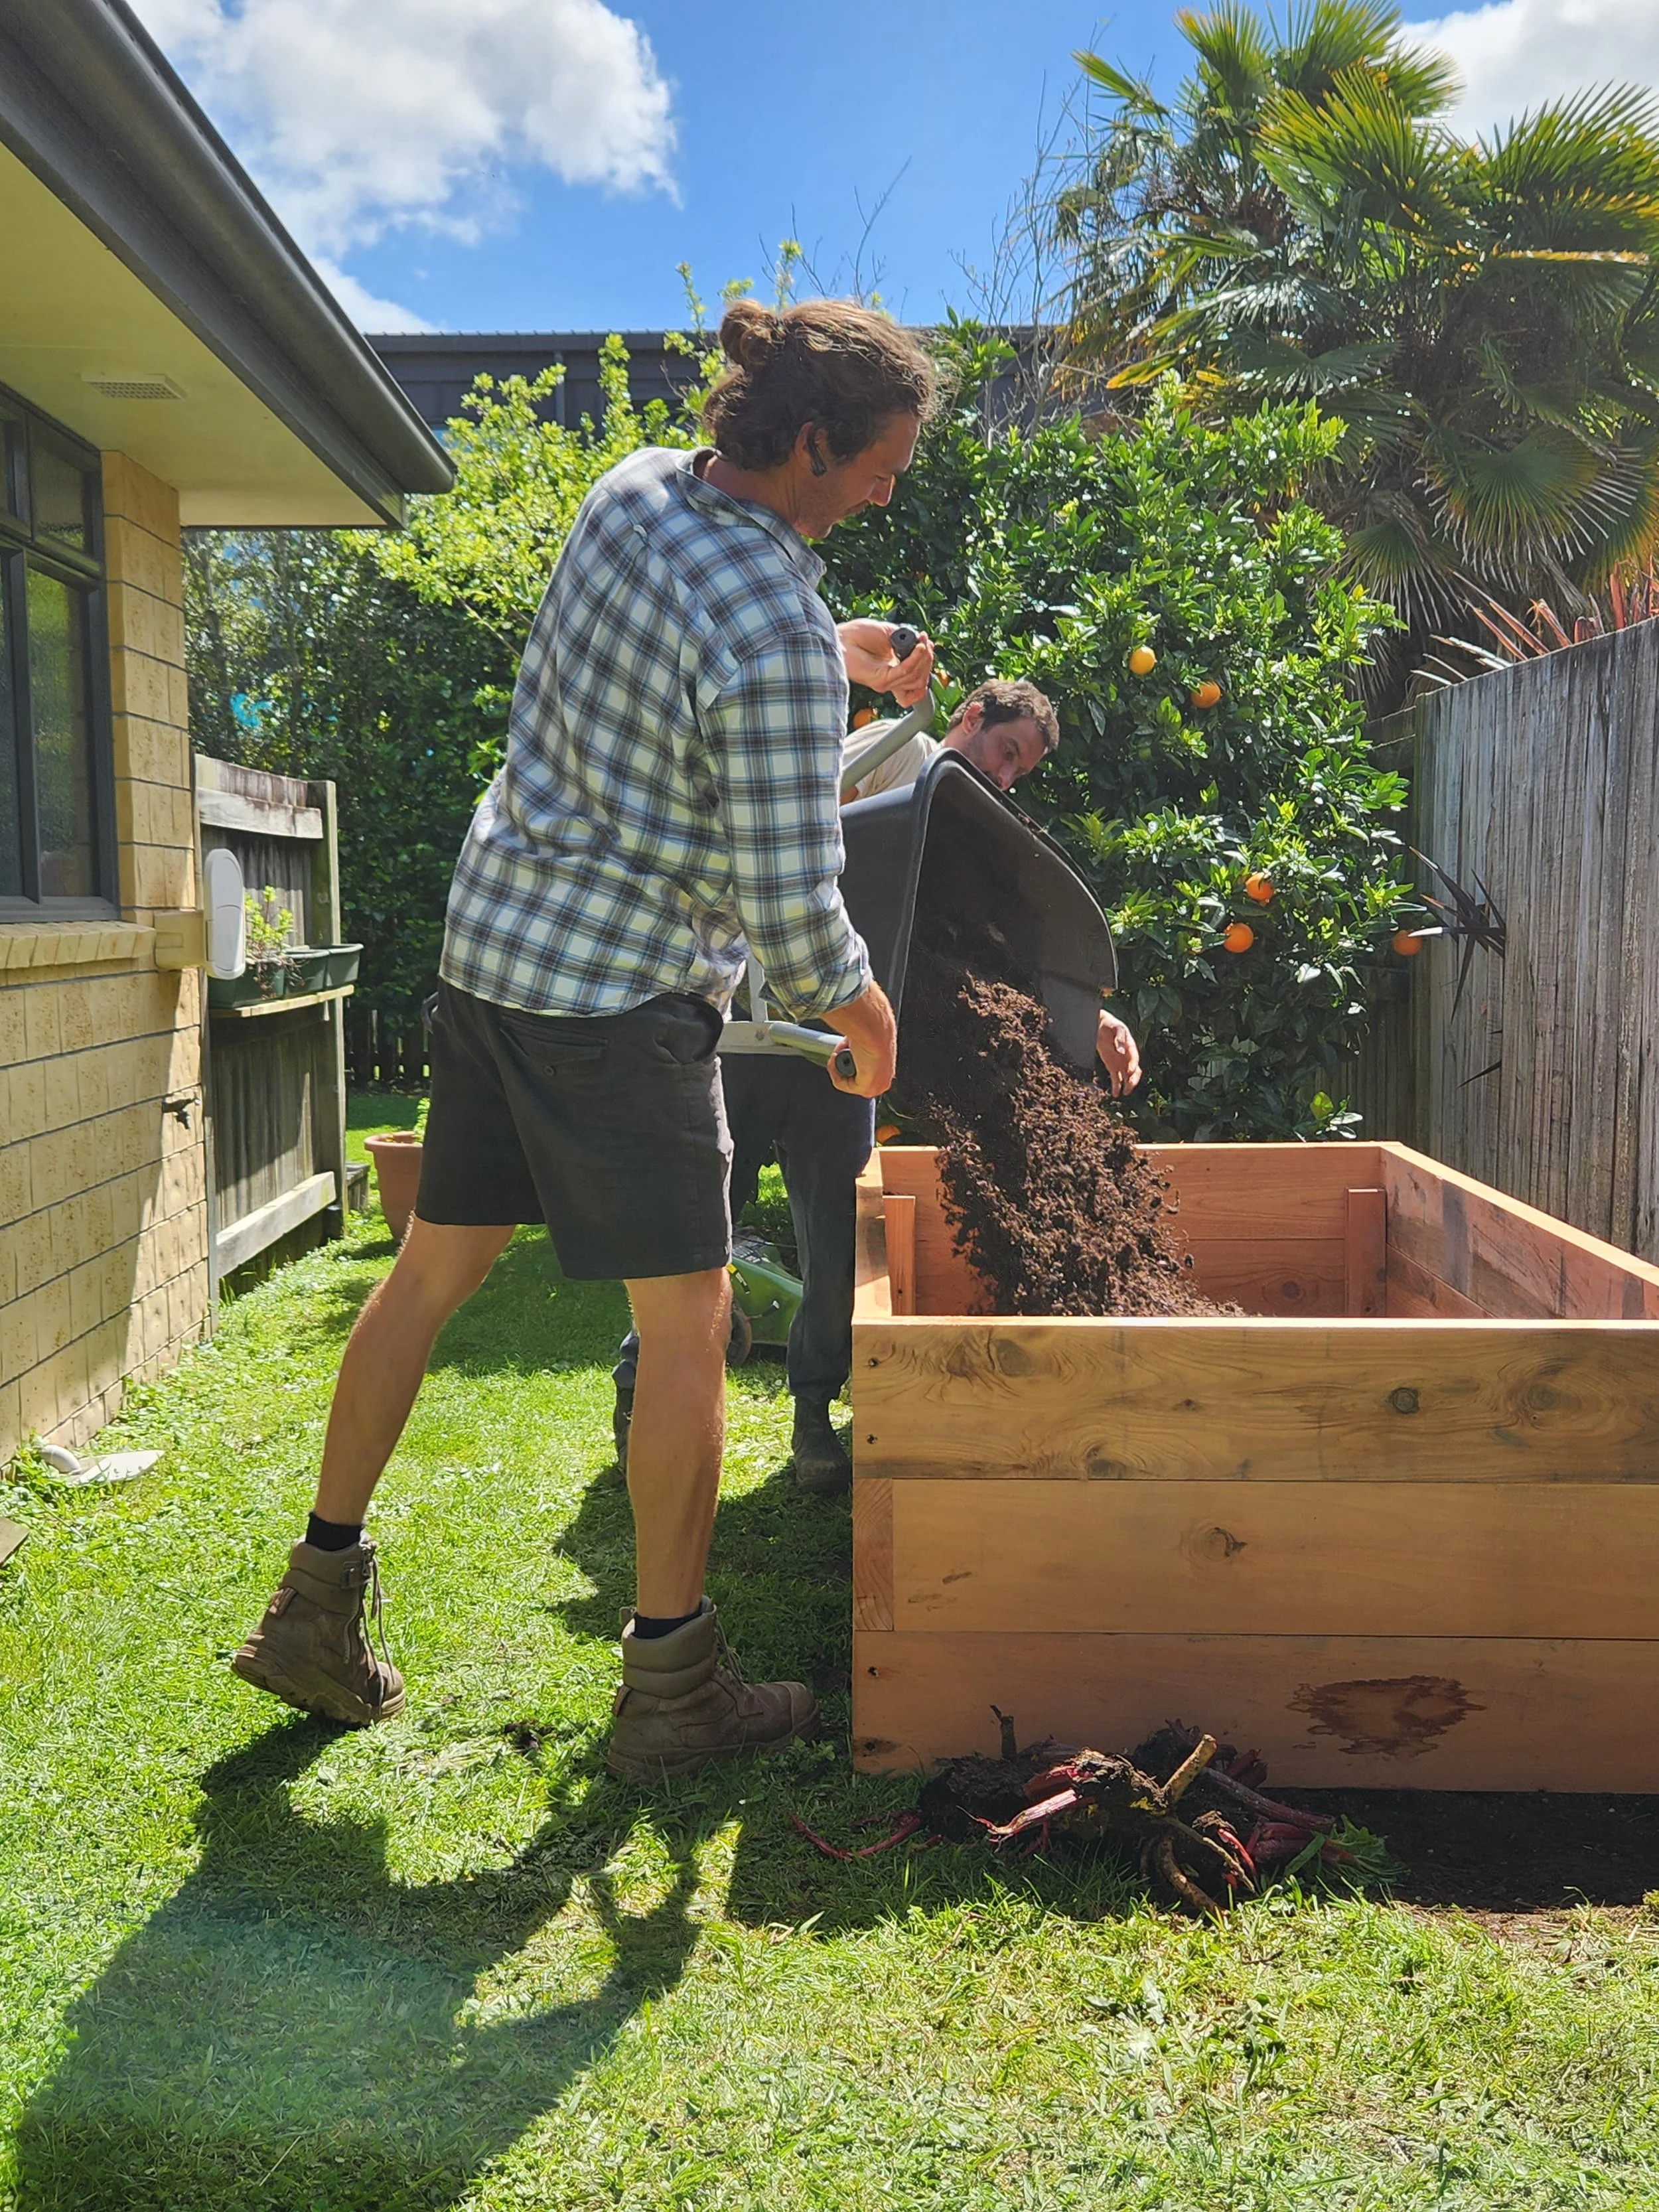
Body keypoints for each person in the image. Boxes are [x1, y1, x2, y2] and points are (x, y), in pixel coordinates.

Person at [230, 297, 937, 1780]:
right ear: (809, 439)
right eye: (874, 463)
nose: (886, 489)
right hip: (618, 1003)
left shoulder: (631, 483)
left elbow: (701, 638)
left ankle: (313, 1599)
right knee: (690, 1326)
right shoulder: (769, 632)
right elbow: (791, 911)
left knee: (431, 1271)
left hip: (492, 957)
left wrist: (833, 648)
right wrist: (868, 1013)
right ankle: (674, 1685)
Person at [613, 677, 1143, 1495]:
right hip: (754, 1029)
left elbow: (996, 964)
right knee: (695, 1224)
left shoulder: (967, 829)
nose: (1004, 778)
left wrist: (1091, 1022)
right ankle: (642, 1387)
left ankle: (813, 1417)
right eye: (1005, 752)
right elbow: (789, 817)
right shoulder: (906, 756)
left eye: (1019, 773)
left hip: (846, 1053)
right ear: (970, 715)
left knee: (836, 1245)